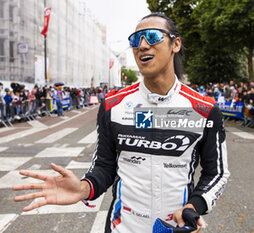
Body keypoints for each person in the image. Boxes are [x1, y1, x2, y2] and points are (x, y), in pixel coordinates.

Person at [12, 13, 230, 233]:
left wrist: (194, 206)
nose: (142, 45)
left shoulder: (204, 109)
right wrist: (82, 188)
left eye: (152, 36)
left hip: (175, 227)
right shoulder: (113, 105)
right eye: (135, 40)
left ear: (175, 44)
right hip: (122, 228)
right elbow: (105, 166)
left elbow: (216, 172)